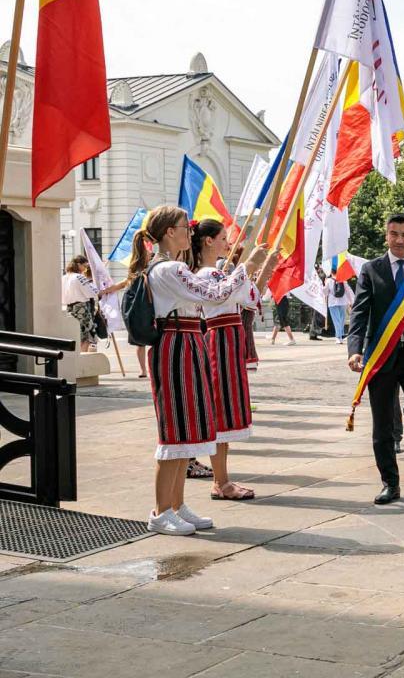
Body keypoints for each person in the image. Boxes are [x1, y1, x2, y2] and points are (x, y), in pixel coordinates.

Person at [132, 205, 269, 535]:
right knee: (176, 430)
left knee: (190, 430)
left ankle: (176, 505)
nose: (189, 233)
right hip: (175, 343)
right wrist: (244, 268)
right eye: (183, 227)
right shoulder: (166, 269)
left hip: (189, 340)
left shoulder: (175, 267)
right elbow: (214, 294)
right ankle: (160, 510)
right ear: (169, 233)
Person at [346, 213, 404, 508]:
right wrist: (354, 348)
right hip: (382, 357)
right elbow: (360, 313)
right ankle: (390, 483)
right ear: (386, 235)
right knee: (383, 424)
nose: (399, 240)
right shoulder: (371, 270)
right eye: (393, 234)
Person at [191, 219, 262, 501]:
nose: (227, 243)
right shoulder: (205, 274)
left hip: (229, 340)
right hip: (217, 340)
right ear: (208, 240)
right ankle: (220, 481)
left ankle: (223, 479)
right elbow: (223, 295)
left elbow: (250, 297)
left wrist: (258, 267)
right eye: (222, 238)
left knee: (227, 411)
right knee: (220, 411)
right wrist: (249, 266)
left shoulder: (220, 273)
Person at [62, 255, 117, 353]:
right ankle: (82, 359)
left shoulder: (64, 277)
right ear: (78, 265)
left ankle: (77, 357)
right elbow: (92, 292)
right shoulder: (79, 277)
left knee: (75, 335)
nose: (85, 268)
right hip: (81, 308)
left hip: (69, 309)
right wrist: (95, 287)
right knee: (86, 337)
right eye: (84, 265)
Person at [325, 271, 355, 344]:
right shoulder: (343, 280)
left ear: (331, 272)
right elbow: (348, 291)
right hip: (343, 302)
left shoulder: (328, 280)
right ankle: (340, 335)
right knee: (341, 320)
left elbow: (325, 292)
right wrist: (352, 301)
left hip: (332, 303)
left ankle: (338, 337)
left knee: (336, 320)